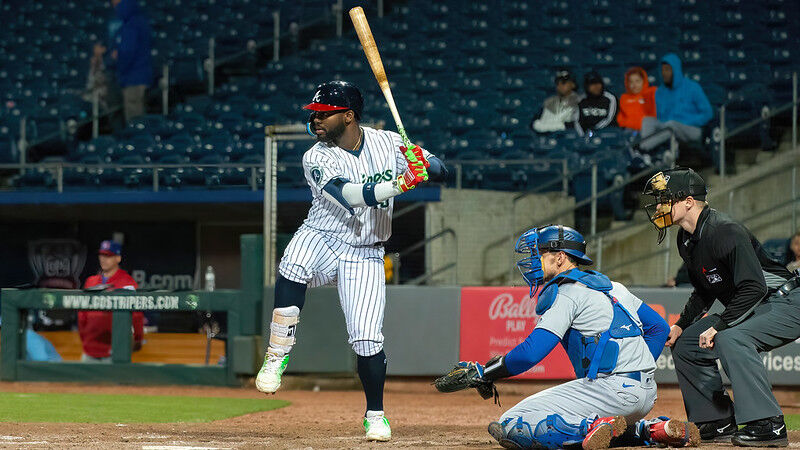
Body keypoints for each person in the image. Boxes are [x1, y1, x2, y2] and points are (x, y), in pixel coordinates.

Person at [255, 81, 448, 441]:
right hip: (323, 235)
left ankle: (375, 414)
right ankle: (277, 353)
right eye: (314, 115)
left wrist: (423, 161)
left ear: (348, 115)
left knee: (366, 339)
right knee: (293, 264)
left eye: (323, 115)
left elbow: (442, 170)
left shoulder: (389, 142)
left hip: (366, 251)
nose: (316, 121)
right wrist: (402, 183)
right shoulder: (316, 155)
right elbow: (350, 196)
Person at [446, 225, 696, 450]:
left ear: (560, 258)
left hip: (611, 391)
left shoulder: (566, 293)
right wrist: (636, 369)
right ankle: (650, 430)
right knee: (583, 411)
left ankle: (591, 428)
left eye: (540, 254)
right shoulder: (614, 286)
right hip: (645, 394)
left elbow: (532, 352)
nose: (533, 261)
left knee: (511, 423)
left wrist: (486, 372)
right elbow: (660, 329)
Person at [642, 167, 800, 447]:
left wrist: (719, 325)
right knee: (687, 343)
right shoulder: (686, 239)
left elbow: (755, 287)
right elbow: (705, 289)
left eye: (665, 198)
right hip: (756, 303)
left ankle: (769, 425)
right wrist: (681, 324)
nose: (659, 206)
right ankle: (717, 419)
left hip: (787, 301)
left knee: (730, 336)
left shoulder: (724, 230)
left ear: (688, 202)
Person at [78, 240, 144, 362]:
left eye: (108, 256)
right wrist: (84, 337)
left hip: (115, 348)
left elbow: (136, 315)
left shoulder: (127, 282)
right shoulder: (91, 281)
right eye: (102, 255)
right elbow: (82, 314)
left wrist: (138, 337)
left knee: (114, 381)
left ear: (118, 258)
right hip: (90, 347)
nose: (103, 259)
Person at [640, 54, 712, 151]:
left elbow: (707, 114)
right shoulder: (660, 92)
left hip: (693, 128)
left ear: (676, 70)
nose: (664, 73)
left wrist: (685, 121)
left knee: (671, 125)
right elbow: (661, 117)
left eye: (667, 70)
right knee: (647, 120)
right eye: (662, 70)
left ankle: (643, 149)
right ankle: (645, 149)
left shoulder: (692, 87)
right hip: (669, 127)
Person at [111, 0, 152, 122]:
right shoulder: (140, 21)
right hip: (141, 76)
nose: (114, 7)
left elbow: (127, 52)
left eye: (116, 4)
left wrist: (118, 61)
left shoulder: (131, 25)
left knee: (135, 122)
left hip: (133, 79)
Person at [531, 69, 580, 133]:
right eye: (557, 83)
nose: (560, 85)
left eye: (563, 82)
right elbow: (535, 125)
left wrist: (549, 126)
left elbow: (575, 125)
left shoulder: (580, 101)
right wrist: (561, 125)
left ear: (573, 84)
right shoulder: (549, 102)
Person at [575, 71, 617, 136]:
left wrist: (594, 130)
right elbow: (577, 121)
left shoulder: (610, 98)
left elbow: (610, 119)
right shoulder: (581, 100)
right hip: (586, 135)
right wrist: (583, 135)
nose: (596, 87)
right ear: (587, 86)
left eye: (598, 83)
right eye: (592, 84)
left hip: (606, 133)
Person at [617, 67, 656, 132]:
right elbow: (621, 120)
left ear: (644, 81)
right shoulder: (624, 98)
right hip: (630, 132)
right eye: (631, 82)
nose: (634, 85)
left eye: (637, 81)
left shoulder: (652, 93)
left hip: (650, 132)